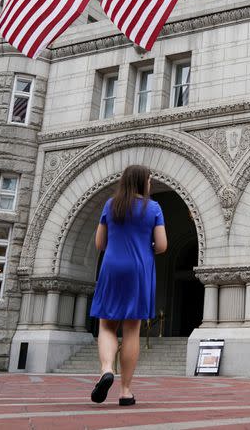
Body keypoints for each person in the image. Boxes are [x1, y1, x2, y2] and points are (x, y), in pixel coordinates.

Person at [88, 165, 167, 406]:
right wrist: (145, 247)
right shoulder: (153, 208)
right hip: (139, 269)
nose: (151, 184)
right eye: (150, 181)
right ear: (143, 182)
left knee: (106, 324)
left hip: (112, 267)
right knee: (132, 329)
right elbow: (162, 245)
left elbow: (100, 243)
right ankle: (125, 391)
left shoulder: (111, 205)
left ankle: (105, 369)